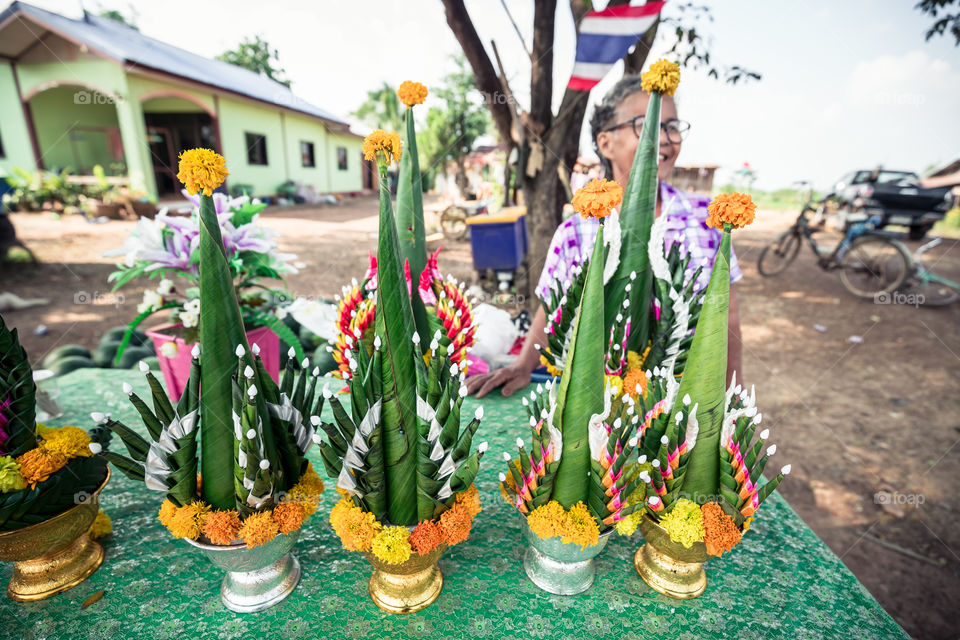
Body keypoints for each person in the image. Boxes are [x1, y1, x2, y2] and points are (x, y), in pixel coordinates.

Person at [467, 74, 743, 398]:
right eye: (646, 124)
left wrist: (728, 401)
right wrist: (523, 365)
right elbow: (554, 311)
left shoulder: (707, 218)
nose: (664, 138)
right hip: (599, 402)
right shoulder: (577, 230)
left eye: (672, 126)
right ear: (605, 143)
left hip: (684, 401)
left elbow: (727, 318)